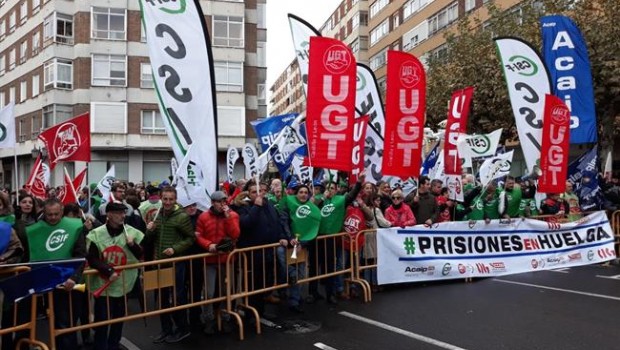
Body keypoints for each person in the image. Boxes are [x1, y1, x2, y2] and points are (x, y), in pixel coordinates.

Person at [24, 198, 87, 350]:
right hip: (45, 282)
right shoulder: (34, 229)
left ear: (62, 212)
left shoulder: (74, 226)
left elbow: (80, 255)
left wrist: (73, 277)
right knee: (53, 321)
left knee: (66, 323)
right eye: (49, 214)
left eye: (56, 214)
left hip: (68, 283)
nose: (52, 217)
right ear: (43, 213)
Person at [86, 202, 144, 350]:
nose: (123, 216)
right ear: (109, 214)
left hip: (123, 284)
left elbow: (140, 255)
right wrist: (108, 271)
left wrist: (132, 245)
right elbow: (92, 258)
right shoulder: (97, 233)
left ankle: (113, 345)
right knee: (102, 320)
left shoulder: (131, 232)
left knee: (119, 319)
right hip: (103, 285)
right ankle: (100, 346)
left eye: (124, 213)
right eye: (118, 213)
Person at [143, 187, 194, 343]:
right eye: (165, 199)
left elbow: (191, 238)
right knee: (162, 299)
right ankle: (166, 329)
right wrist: (150, 230)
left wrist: (175, 248)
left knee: (177, 298)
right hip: (159, 263)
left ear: (175, 199)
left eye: (171, 199)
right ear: (160, 198)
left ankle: (183, 329)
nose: (167, 202)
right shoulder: (156, 214)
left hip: (175, 263)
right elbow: (148, 241)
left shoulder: (182, 217)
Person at [195, 191, 240, 334]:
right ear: (213, 203)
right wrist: (208, 245)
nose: (223, 205)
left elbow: (235, 234)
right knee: (208, 292)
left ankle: (225, 317)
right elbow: (198, 235)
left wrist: (228, 218)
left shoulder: (233, 215)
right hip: (209, 260)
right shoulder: (203, 216)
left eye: (224, 201)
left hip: (227, 260)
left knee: (226, 291)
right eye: (220, 202)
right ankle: (208, 319)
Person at [279, 184, 320, 313]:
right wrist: (290, 237)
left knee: (301, 273)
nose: (303, 194)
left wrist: (303, 243)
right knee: (287, 268)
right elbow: (284, 222)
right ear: (296, 194)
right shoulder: (288, 204)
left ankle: (294, 299)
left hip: (301, 245)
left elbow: (313, 229)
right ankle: (292, 299)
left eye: (305, 192)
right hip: (288, 244)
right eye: (300, 192)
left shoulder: (313, 209)